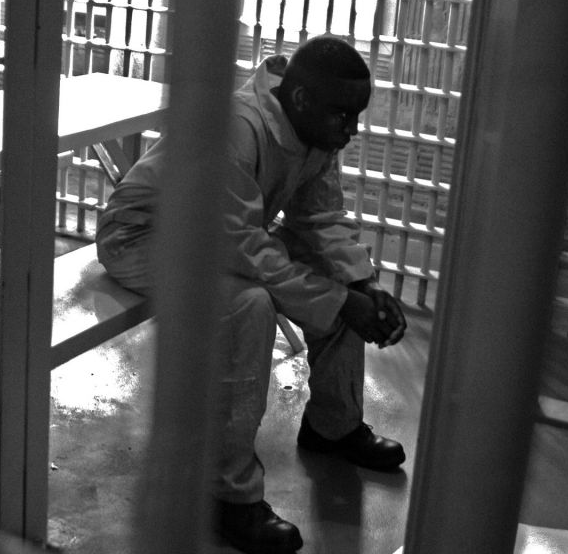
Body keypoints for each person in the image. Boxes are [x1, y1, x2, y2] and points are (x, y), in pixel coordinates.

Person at [95, 35, 408, 554]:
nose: (350, 132)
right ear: (303, 100)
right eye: (342, 117)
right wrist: (340, 301)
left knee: (336, 277)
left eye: (356, 118)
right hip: (143, 236)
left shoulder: (315, 129)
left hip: (221, 236)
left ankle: (335, 426)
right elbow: (248, 252)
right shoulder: (236, 128)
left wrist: (362, 286)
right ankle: (227, 493)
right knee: (248, 304)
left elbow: (321, 221)